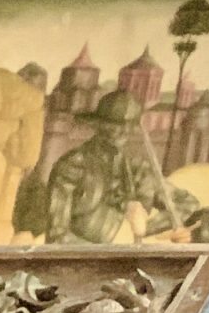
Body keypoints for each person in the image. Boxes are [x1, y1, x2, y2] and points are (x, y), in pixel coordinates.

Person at [44, 90, 179, 244]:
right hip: (80, 263)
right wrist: (109, 253)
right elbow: (57, 236)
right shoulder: (73, 165)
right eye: (114, 124)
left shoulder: (138, 169)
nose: (121, 131)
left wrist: (146, 227)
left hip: (128, 261)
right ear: (98, 124)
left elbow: (186, 205)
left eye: (128, 125)